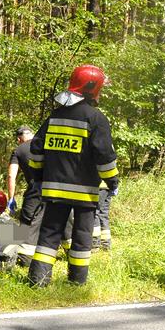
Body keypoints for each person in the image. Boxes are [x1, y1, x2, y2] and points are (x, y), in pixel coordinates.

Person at [27, 64, 119, 287]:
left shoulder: (54, 117)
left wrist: (38, 179)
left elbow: (36, 151)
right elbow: (104, 157)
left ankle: (37, 281)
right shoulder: (96, 119)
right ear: (93, 89)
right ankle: (76, 283)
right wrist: (113, 181)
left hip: (53, 190)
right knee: (82, 236)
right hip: (85, 192)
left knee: (49, 236)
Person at [7, 125, 44, 260]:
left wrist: (11, 198)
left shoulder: (18, 150)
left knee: (27, 221)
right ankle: (70, 253)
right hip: (55, 187)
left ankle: (25, 258)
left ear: (19, 139)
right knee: (58, 219)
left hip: (36, 189)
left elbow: (12, 175)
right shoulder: (45, 144)